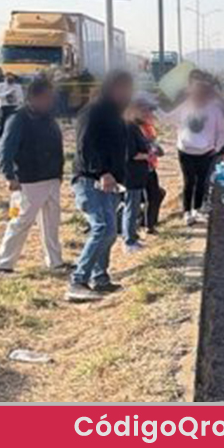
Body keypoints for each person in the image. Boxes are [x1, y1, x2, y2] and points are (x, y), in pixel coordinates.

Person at [68, 71, 133, 302]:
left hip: (111, 183)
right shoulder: (92, 111)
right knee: (102, 228)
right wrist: (102, 171)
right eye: (123, 88)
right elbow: (85, 146)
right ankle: (77, 281)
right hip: (90, 179)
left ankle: (100, 278)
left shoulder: (115, 114)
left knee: (109, 231)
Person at [0, 78, 66, 273]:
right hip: (28, 180)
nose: (51, 101)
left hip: (51, 178)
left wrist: (58, 173)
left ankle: (55, 262)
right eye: (47, 97)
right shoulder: (18, 119)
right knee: (20, 222)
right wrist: (9, 176)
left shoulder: (48, 117)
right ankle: (3, 264)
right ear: (34, 97)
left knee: (52, 224)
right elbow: (5, 150)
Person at [165, 78, 224, 226]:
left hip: (206, 152)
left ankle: (197, 209)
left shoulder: (214, 110)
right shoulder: (185, 106)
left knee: (201, 181)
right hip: (185, 150)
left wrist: (217, 147)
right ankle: (187, 212)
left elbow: (222, 130)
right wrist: (153, 109)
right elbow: (168, 118)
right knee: (189, 181)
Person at [121, 95, 156, 253]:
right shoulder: (128, 127)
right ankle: (128, 241)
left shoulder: (135, 126)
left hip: (138, 174)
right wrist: (148, 155)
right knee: (131, 207)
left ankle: (132, 236)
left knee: (133, 207)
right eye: (145, 110)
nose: (148, 114)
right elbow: (131, 153)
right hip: (131, 174)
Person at [136, 97, 167, 235]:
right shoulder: (133, 127)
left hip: (149, 167)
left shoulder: (148, 127)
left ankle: (148, 224)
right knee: (150, 196)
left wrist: (157, 150)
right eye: (147, 111)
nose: (151, 114)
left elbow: (155, 146)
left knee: (155, 195)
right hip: (137, 169)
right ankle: (145, 224)